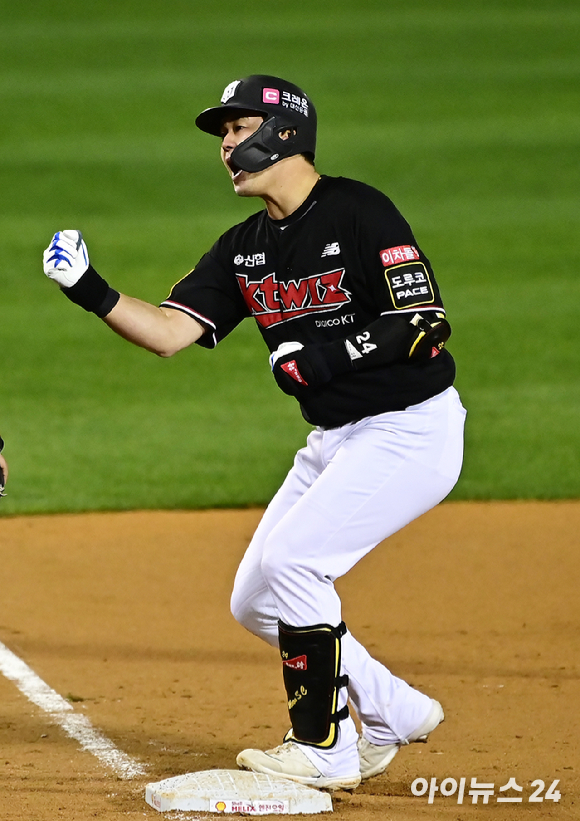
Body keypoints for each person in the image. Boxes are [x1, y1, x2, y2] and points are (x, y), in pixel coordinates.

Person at [42, 75, 466, 791]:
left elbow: (423, 321)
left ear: (285, 133)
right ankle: (392, 709)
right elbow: (173, 332)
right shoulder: (244, 248)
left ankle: (323, 748)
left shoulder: (359, 211)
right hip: (335, 439)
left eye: (237, 130)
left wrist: (324, 357)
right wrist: (92, 290)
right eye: (223, 137)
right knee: (256, 597)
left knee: (297, 565)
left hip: (411, 429)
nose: (226, 147)